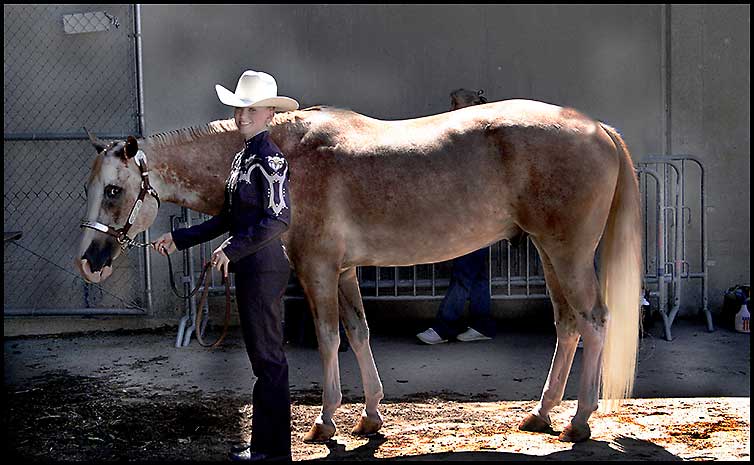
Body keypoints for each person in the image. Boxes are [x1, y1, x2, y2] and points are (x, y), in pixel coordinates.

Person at [152, 70, 298, 462]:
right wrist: (179, 240)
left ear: (269, 114)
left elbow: (278, 219)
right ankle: (266, 447)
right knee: (262, 359)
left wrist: (231, 250)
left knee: (268, 359)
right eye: (239, 109)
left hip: (264, 267)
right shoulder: (243, 158)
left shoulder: (270, 160)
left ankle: (274, 452)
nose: (242, 116)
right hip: (251, 266)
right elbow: (226, 218)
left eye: (251, 110)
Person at [416, 88, 495, 345]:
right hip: (480, 215)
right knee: (476, 273)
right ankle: (481, 324)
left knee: (463, 271)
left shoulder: (473, 139)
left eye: (454, 104)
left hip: (473, 216)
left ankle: (443, 327)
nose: (450, 110)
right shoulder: (480, 137)